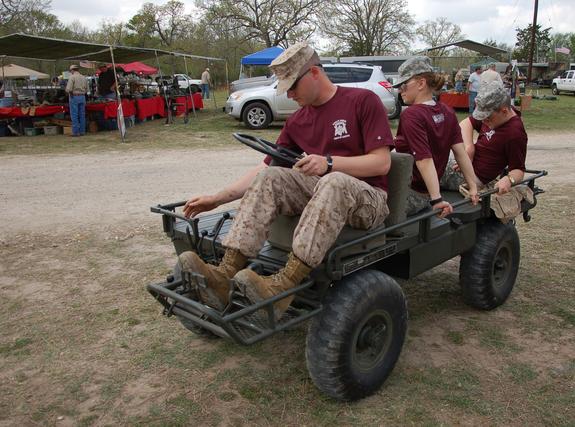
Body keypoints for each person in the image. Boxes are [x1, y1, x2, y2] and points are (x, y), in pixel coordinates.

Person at [178, 42, 394, 320]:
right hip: (326, 192)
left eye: (293, 86)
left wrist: (328, 163)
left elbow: (382, 162)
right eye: (285, 89)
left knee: (335, 180)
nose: (289, 95)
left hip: (369, 199)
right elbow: (264, 169)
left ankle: (284, 284)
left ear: (314, 73)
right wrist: (218, 198)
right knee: (272, 176)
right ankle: (225, 273)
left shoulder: (362, 101)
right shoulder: (297, 121)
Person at [392, 57, 479, 217]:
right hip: (427, 190)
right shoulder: (447, 111)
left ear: (421, 83)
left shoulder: (412, 114)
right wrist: (472, 186)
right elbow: (460, 153)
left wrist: (436, 199)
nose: (400, 90)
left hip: (411, 194)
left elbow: (424, 160)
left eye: (403, 85)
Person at [442, 81, 527, 196]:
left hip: (470, 177)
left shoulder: (515, 133)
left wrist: (509, 180)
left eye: (487, 118)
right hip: (465, 162)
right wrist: (469, 148)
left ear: (504, 111)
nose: (483, 121)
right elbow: (465, 123)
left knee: (425, 166)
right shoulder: (495, 111)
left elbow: (518, 170)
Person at [65, 64, 88, 137]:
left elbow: (68, 89)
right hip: (82, 96)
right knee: (82, 115)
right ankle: (82, 131)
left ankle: (75, 132)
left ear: (72, 70)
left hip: (74, 96)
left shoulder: (72, 77)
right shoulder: (84, 77)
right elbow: (87, 89)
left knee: (74, 115)